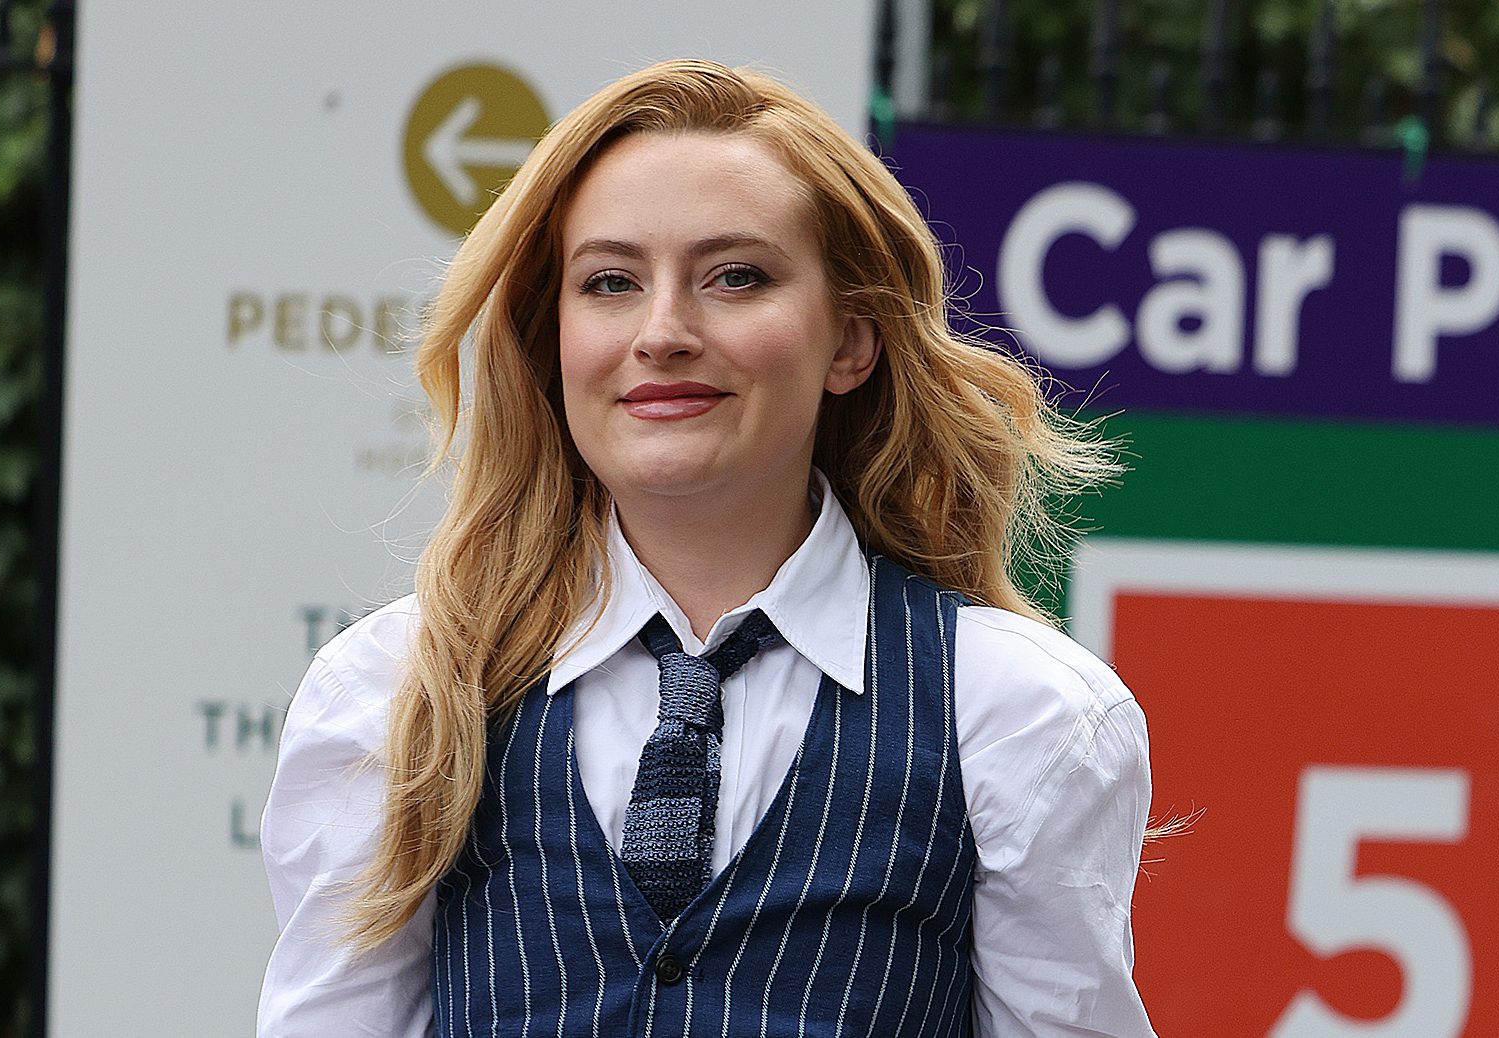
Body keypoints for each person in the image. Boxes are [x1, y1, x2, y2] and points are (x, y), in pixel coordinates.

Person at [259, 58, 1157, 1037]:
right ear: (551, 338)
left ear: (852, 338)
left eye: (736, 276)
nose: (664, 331)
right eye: (609, 282)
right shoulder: (396, 692)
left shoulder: (1017, 713)